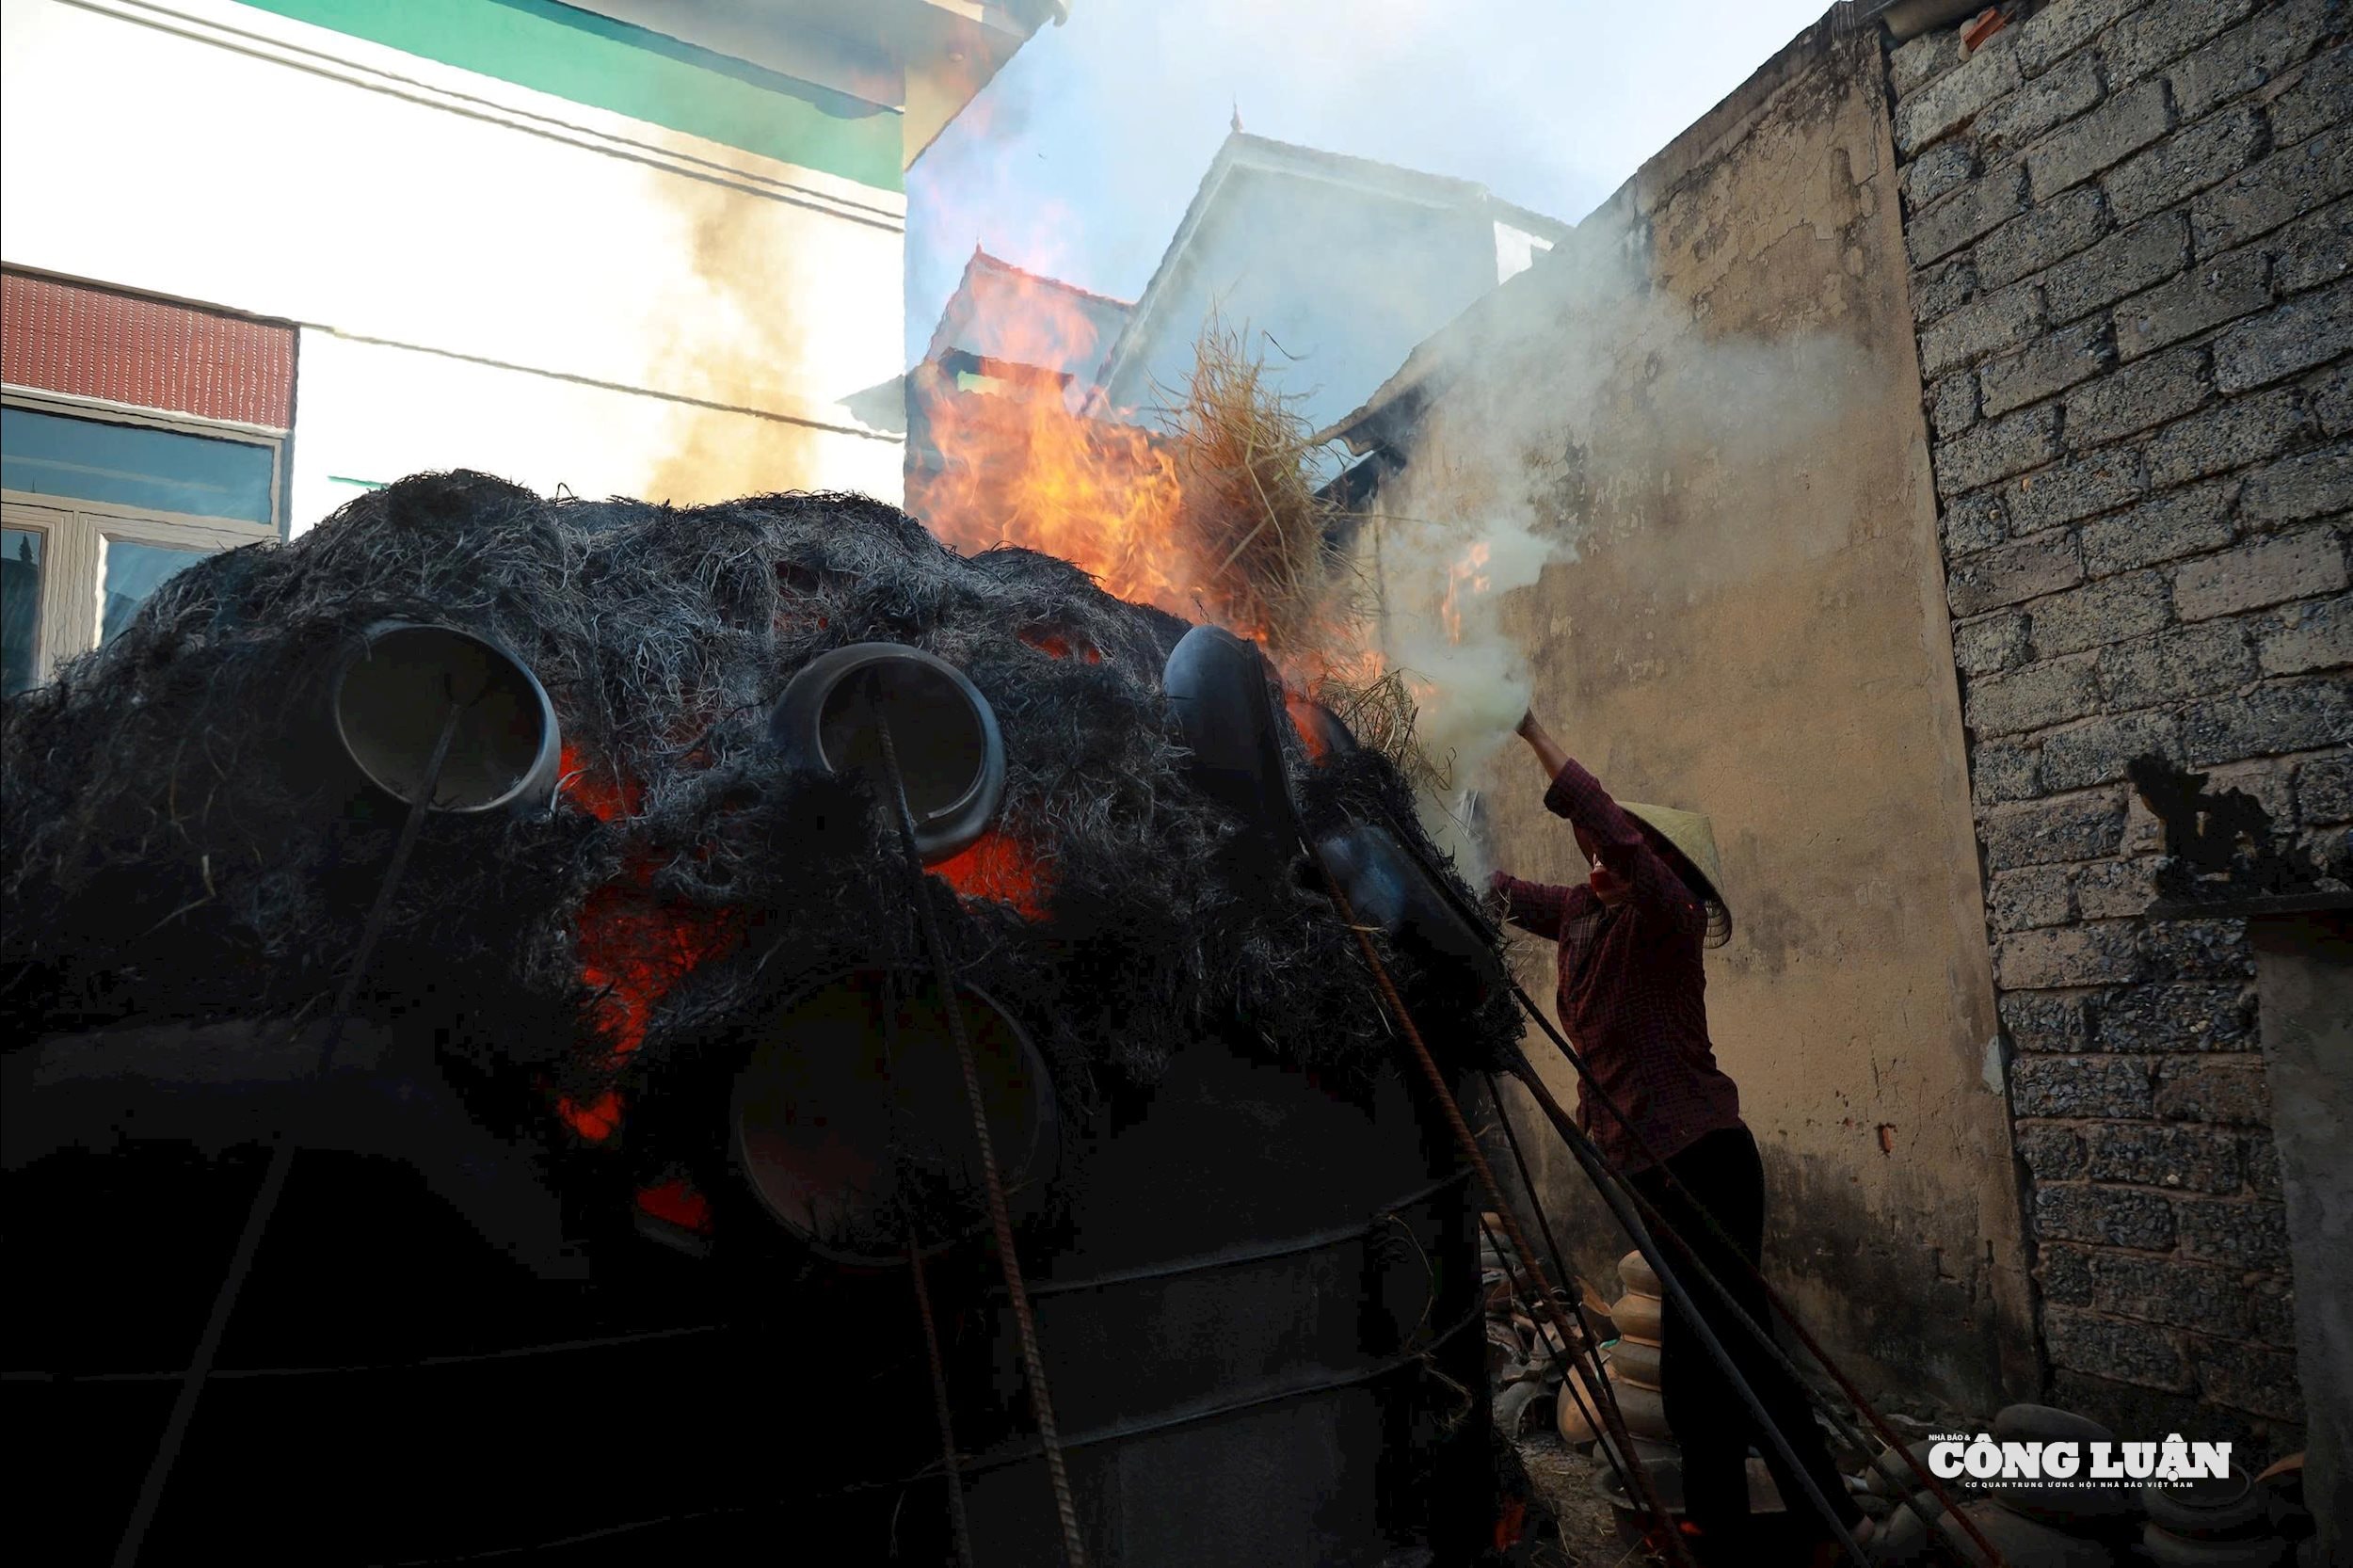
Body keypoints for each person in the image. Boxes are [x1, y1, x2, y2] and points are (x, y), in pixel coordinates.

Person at [1487, 707, 1871, 1568]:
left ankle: (1811, 1526)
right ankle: (1748, 1528)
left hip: (1706, 1159)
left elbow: (1615, 836)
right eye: (1599, 855)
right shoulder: (1586, 920)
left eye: (1622, 852)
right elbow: (1504, 894)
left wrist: (1533, 732)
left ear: (1669, 870)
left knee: (1732, 1356)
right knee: (1709, 1366)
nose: (1601, 862)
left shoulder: (1670, 918)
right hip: (1646, 1169)